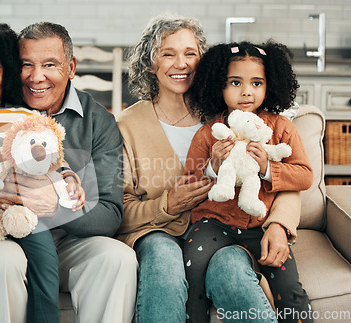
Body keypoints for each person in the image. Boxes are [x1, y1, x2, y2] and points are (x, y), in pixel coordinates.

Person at [0, 19, 137, 323]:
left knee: (119, 259)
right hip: (1, 230)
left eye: (50, 64)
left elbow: (110, 214)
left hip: (69, 239)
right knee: (2, 260)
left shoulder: (98, 121)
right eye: (26, 65)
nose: (37, 77)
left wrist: (56, 206)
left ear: (71, 67)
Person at [116, 13, 302, 323]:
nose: (182, 63)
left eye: (190, 53)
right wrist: (167, 205)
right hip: (158, 232)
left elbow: (284, 178)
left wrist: (279, 225)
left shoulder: (234, 115)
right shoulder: (126, 126)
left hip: (227, 233)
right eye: (168, 54)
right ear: (151, 63)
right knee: (163, 257)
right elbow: (117, 210)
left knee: (229, 266)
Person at [183, 40, 313, 322]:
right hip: (212, 222)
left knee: (289, 287)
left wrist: (268, 167)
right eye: (235, 82)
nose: (246, 91)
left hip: (260, 225)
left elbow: (304, 175)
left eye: (256, 83)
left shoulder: (280, 128)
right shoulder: (209, 133)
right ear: (219, 85)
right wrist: (213, 168)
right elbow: (189, 179)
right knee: (192, 273)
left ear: (270, 86)